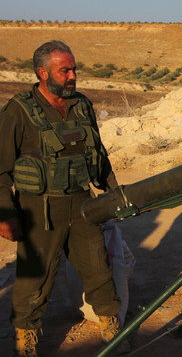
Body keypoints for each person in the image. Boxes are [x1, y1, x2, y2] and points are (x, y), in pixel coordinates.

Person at [0, 40, 127, 356]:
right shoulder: (19, 111)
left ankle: (111, 324)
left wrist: (114, 193)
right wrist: (6, 214)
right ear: (43, 73)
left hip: (82, 203)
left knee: (98, 268)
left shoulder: (81, 105)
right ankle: (26, 337)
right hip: (39, 209)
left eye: (74, 69)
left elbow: (98, 155)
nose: (73, 76)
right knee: (35, 278)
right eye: (64, 70)